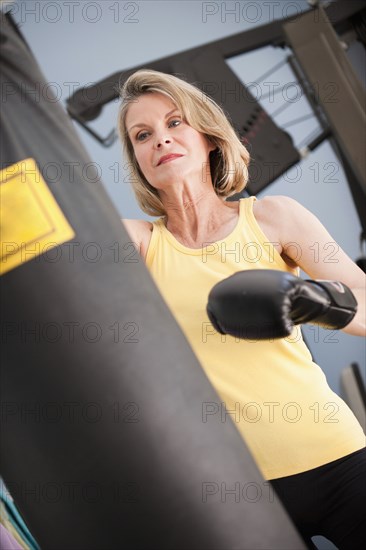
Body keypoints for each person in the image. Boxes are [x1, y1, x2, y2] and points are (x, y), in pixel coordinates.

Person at [117, 69, 366, 549]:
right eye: (142, 135)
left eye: (175, 123)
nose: (160, 140)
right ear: (138, 161)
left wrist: (317, 303)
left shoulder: (273, 218)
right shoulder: (139, 243)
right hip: (238, 494)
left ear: (208, 137)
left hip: (338, 457)